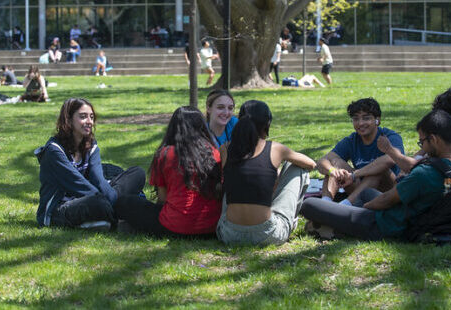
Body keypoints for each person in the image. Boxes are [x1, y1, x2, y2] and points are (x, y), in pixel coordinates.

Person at [301, 109, 451, 241]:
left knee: (309, 205)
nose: (421, 147)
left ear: (435, 140)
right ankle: (332, 222)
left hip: (385, 225)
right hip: (418, 214)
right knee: (365, 193)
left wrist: (357, 210)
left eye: (422, 142)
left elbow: (385, 201)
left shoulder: (425, 174)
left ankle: (335, 225)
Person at [216, 100, 317, 246]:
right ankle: (290, 220)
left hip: (229, 234)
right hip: (267, 234)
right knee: (297, 167)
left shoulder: (225, 148)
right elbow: (311, 164)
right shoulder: (275, 149)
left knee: (234, 178)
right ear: (267, 124)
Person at [36, 98, 146, 228]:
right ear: (69, 119)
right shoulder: (54, 151)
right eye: (83, 117)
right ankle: (121, 214)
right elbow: (77, 184)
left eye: (91, 117)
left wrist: (110, 198)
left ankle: (113, 214)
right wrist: (109, 201)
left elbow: (98, 179)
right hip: (60, 207)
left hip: (92, 197)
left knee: (137, 173)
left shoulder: (91, 145)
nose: (89, 122)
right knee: (98, 203)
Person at [114, 106, 222, 236]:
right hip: (210, 226)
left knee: (125, 202)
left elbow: (162, 198)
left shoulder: (166, 154)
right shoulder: (214, 153)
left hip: (175, 226)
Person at [316, 98, 405, 205]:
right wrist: (332, 171)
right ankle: (325, 204)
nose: (360, 123)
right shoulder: (352, 140)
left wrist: (354, 175)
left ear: (377, 120)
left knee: (379, 170)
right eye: (356, 119)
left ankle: (345, 206)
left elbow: (389, 160)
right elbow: (323, 160)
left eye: (366, 118)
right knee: (336, 164)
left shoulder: (390, 136)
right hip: (361, 189)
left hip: (389, 192)